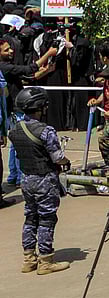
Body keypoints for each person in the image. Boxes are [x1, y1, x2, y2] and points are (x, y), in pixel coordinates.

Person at [14, 87, 71, 275]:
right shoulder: (46, 131)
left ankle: (29, 259)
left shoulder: (15, 129)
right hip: (44, 180)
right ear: (40, 107)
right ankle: (45, 261)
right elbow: (57, 157)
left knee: (31, 217)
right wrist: (66, 161)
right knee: (47, 218)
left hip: (26, 179)